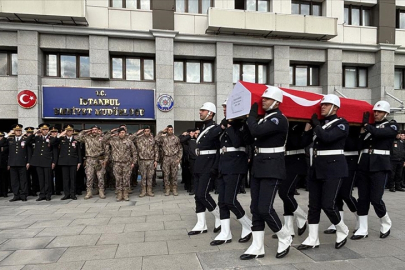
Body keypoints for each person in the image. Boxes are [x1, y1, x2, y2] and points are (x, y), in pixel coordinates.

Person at [240, 87, 292, 260]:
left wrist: (252, 118)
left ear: (277, 102)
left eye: (267, 99)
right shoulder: (263, 120)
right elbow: (250, 138)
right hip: (259, 166)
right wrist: (244, 123)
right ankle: (257, 246)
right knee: (255, 208)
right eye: (263, 98)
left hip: (272, 166)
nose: (263, 101)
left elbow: (257, 132)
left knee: (265, 208)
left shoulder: (279, 119)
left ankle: (285, 236)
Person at [297, 94, 349, 251]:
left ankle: (342, 229)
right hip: (316, 167)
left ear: (335, 108)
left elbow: (327, 138)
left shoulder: (341, 123)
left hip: (334, 168)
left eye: (327, 105)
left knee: (328, 204)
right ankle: (313, 238)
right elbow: (303, 143)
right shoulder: (319, 124)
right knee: (313, 206)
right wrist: (308, 129)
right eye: (322, 104)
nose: (323, 107)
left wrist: (316, 125)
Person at [351, 101, 398, 240]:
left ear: (386, 113)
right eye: (375, 112)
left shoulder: (392, 125)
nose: (376, 114)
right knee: (363, 198)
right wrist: (361, 132)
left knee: (376, 199)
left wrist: (366, 126)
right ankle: (363, 229)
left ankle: (385, 222)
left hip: (380, 165)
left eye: (379, 112)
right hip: (365, 164)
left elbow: (379, 133)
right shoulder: (370, 127)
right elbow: (359, 145)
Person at [210, 99, 252, 246]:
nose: (224, 110)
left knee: (230, 200)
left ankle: (248, 225)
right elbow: (213, 138)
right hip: (223, 164)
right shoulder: (225, 124)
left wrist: (229, 125)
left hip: (235, 164)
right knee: (222, 201)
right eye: (223, 107)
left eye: (227, 107)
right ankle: (225, 233)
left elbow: (236, 142)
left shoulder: (242, 125)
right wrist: (223, 125)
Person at [188, 102, 222, 236]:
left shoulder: (215, 128)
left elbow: (219, 149)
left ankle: (218, 215)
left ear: (210, 113)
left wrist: (215, 166)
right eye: (201, 110)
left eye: (203, 110)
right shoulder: (203, 128)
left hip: (209, 164)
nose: (200, 112)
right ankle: (201, 224)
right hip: (199, 163)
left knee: (203, 194)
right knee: (197, 195)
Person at [274, 122, 308, 239]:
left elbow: (301, 143)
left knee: (284, 193)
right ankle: (289, 228)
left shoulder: (300, 125)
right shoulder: (284, 124)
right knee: (287, 194)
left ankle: (302, 216)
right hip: (285, 161)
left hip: (296, 161)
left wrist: (307, 130)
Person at [323, 126, 360, 234]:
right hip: (336, 160)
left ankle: (359, 217)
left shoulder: (351, 127)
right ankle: (338, 221)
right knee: (337, 194)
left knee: (346, 194)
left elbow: (353, 144)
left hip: (351, 160)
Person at [27, 123, 58, 201]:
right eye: (43, 129)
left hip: (47, 161)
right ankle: (42, 194)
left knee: (47, 179)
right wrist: (34, 132)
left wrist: (54, 161)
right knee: (41, 179)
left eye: (46, 129)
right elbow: (27, 141)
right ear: (41, 130)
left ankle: (48, 194)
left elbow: (54, 150)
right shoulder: (37, 138)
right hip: (38, 161)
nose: (45, 131)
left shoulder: (51, 138)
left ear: (48, 130)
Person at [104, 128, 137, 201]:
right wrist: (111, 132)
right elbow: (104, 140)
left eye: (123, 132)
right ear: (118, 133)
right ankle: (119, 194)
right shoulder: (113, 141)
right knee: (118, 179)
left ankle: (125, 194)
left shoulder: (129, 141)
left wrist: (133, 162)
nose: (122, 134)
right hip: (117, 163)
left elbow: (134, 152)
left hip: (127, 163)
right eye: (121, 132)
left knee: (126, 179)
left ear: (125, 133)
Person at [77, 126, 109, 199]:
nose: (94, 131)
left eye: (96, 130)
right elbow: (78, 138)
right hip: (89, 160)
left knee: (100, 177)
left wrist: (105, 160)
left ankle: (101, 191)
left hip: (99, 160)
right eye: (93, 130)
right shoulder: (87, 138)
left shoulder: (102, 138)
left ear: (98, 131)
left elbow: (107, 150)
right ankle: (89, 192)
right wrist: (85, 131)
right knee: (89, 177)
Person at [56, 125, 82, 200]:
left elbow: (78, 152)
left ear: (73, 132)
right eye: (67, 131)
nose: (69, 132)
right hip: (64, 162)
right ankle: (66, 194)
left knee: (73, 179)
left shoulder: (76, 141)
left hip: (73, 162)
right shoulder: (61, 140)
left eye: (70, 131)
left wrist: (79, 162)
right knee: (65, 179)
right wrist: (61, 134)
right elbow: (53, 142)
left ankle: (73, 194)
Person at [155, 125, 182, 196]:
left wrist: (179, 158)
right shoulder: (163, 138)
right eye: (169, 130)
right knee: (166, 174)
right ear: (167, 130)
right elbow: (156, 139)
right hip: (166, 158)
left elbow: (180, 149)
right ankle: (167, 189)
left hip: (174, 158)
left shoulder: (176, 138)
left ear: (173, 130)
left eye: (171, 130)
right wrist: (162, 131)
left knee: (174, 174)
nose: (170, 131)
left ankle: (174, 189)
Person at [133, 126, 159, 197]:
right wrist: (137, 133)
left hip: (151, 161)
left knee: (150, 176)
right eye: (145, 131)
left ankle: (149, 190)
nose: (146, 132)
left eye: (148, 131)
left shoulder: (153, 140)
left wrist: (156, 160)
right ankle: (143, 190)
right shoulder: (139, 139)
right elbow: (130, 139)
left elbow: (156, 150)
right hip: (142, 161)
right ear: (143, 131)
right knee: (143, 176)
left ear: (150, 131)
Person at [7, 124, 29, 202]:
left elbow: (28, 151)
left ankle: (23, 195)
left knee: (23, 180)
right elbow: (3, 144)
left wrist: (28, 162)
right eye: (16, 131)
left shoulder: (25, 139)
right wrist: (9, 134)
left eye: (19, 130)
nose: (18, 132)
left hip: (22, 162)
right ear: (14, 131)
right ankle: (16, 195)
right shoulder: (10, 140)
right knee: (14, 180)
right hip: (12, 163)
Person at [0, 131, 9, 197]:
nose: (1, 138)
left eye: (2, 136)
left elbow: (4, 149)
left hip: (3, 163)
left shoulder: (6, 143)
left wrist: (4, 138)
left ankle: (4, 192)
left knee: (4, 179)